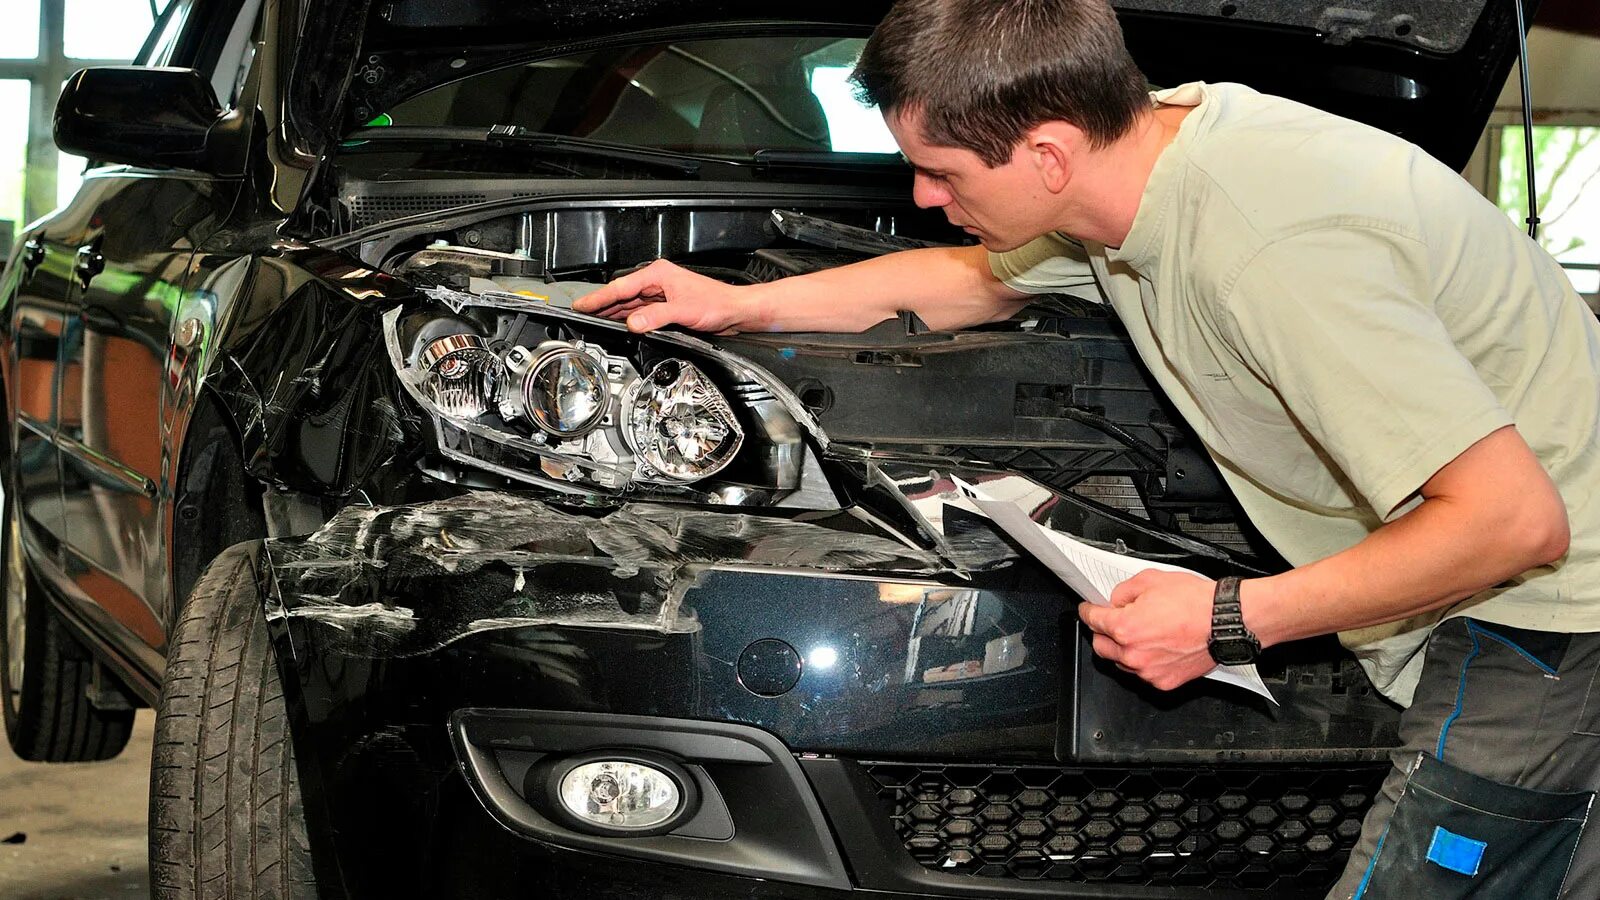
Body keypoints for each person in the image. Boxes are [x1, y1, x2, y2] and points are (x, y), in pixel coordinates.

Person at [574, 1, 1600, 896]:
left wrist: (1232, 617)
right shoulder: (1140, 164)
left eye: (939, 171)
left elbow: (1513, 521)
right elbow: (967, 279)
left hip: (1551, 615)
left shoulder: (1266, 248)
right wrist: (738, 304)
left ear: (1048, 153)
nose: (923, 197)